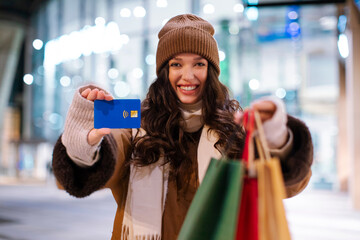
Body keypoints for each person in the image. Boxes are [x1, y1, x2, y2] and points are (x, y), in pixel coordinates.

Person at [52, 14, 313, 240]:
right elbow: (101, 160)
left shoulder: (234, 127)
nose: (187, 76)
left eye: (198, 63)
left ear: (211, 70)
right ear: (164, 71)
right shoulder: (135, 124)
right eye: (176, 64)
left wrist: (276, 136)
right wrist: (82, 143)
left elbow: (287, 185)